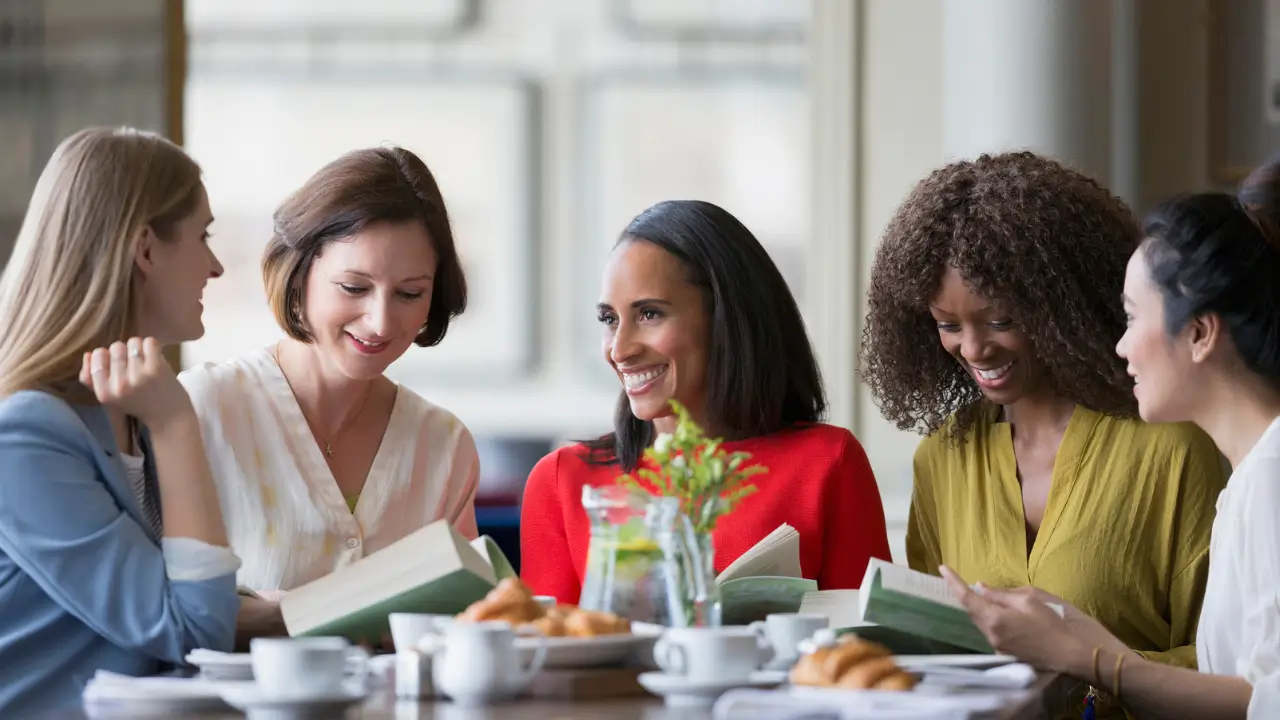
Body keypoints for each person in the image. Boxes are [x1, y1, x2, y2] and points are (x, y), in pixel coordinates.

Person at [859, 152, 1227, 716]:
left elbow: (1228, 666)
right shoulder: (942, 459)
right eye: (948, 325)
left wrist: (1088, 670)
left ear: (1062, 304)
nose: (975, 349)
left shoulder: (1171, 449)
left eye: (1001, 320)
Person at [942, 161, 1280, 719]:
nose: (1119, 347)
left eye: (1130, 317)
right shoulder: (1250, 477)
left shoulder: (1269, 478)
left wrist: (1090, 657)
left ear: (1198, 333)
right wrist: (1078, 632)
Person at [520, 199, 891, 603]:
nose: (619, 349)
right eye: (610, 319)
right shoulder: (562, 481)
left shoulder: (828, 464)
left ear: (726, 319)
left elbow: (866, 651)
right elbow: (544, 655)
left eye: (649, 314)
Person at [0, 127, 240, 715]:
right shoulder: (25, 438)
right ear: (146, 249)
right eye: (203, 236)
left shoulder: (124, 410)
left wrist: (317, 606)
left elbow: (178, 603)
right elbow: (192, 629)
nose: (215, 266)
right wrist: (177, 425)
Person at [179, 146, 479, 602]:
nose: (380, 321)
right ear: (299, 274)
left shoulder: (442, 445)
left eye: (410, 293)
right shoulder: (203, 409)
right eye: (354, 287)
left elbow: (465, 621)